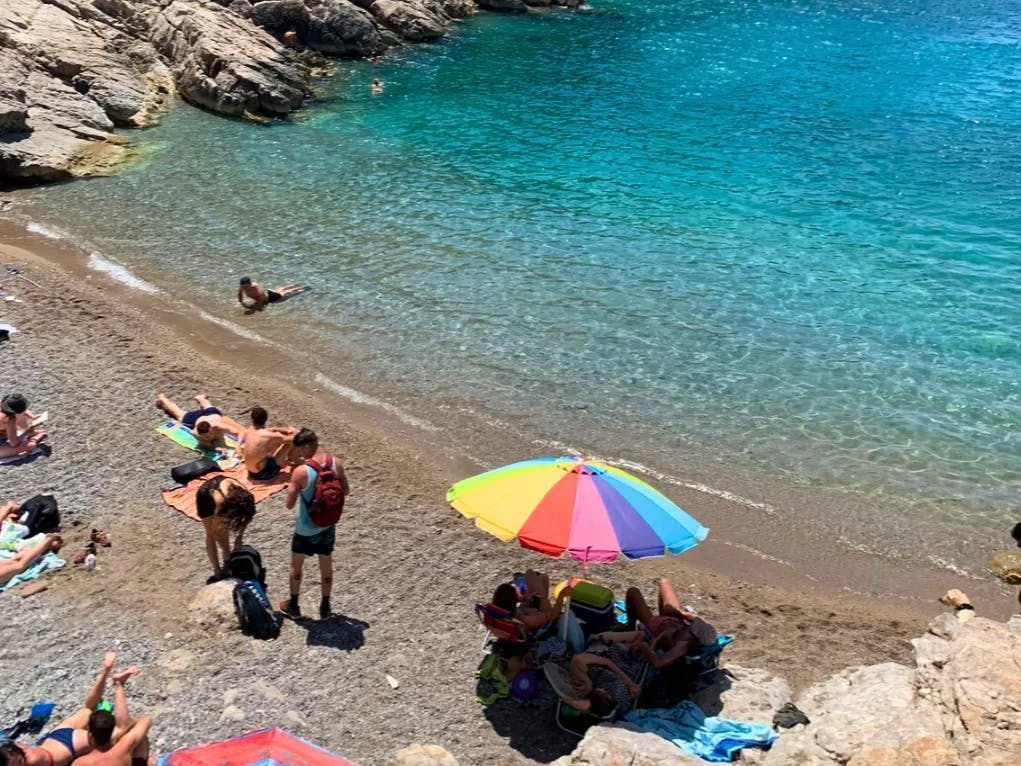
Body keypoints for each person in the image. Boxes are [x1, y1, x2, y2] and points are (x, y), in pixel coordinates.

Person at [4, 653, 130, 766]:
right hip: (55, 736)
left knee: (121, 731)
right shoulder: (16, 749)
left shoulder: (33, 760)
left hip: (69, 745)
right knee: (89, 708)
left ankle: (119, 684)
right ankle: (106, 670)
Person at [280, 428, 349, 620]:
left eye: (299, 450)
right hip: (328, 525)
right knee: (326, 564)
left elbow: (289, 505)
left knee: (296, 566)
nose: (298, 454)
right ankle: (325, 607)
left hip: (305, 528)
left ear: (306, 446)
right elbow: (346, 490)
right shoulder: (336, 463)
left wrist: (295, 487)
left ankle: (294, 605)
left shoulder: (301, 472)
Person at [620, 577, 718, 670]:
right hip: (671, 621)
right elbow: (665, 634)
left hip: (655, 625)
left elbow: (658, 663)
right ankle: (666, 612)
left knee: (633, 592)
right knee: (664, 582)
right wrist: (681, 612)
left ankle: (630, 626)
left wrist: (645, 648)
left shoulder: (682, 646)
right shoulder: (696, 631)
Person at [195, 475, 256, 583]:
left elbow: (246, 516)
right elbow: (218, 527)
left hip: (225, 499)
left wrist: (239, 538)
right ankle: (217, 569)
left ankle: (228, 563)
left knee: (224, 533)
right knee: (212, 534)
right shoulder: (221, 501)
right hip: (205, 497)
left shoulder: (243, 494)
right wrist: (221, 526)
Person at [554, 649, 643, 717]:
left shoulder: (589, 693)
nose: (602, 691)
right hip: (612, 674)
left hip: (598, 671)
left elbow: (582, 704)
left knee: (579, 660)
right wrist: (629, 682)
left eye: (601, 694)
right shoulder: (615, 698)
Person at [490, 570, 573, 636]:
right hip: (545, 617)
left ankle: (542, 596)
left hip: (529, 610)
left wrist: (523, 599)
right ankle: (544, 597)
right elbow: (553, 616)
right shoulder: (524, 619)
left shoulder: (499, 612)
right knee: (534, 576)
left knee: (542, 577)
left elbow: (515, 605)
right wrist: (561, 597)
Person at [155, 393, 245, 452]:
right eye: (206, 436)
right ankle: (162, 398)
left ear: (211, 429)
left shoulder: (218, 426)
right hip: (195, 419)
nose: (208, 437)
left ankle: (201, 398)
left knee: (208, 406)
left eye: (209, 434)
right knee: (178, 414)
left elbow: (239, 432)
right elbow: (208, 446)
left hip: (211, 414)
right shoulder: (195, 433)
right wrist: (218, 449)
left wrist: (237, 446)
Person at [238, 406, 297, 481]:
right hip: (262, 474)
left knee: (274, 440)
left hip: (250, 471)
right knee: (288, 443)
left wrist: (286, 430)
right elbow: (291, 439)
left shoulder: (251, 429)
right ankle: (295, 460)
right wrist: (295, 432)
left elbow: (270, 430)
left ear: (252, 419)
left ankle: (286, 459)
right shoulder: (269, 436)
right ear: (266, 419)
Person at [0, 393, 47, 459]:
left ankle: (31, 433)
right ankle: (34, 437)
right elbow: (14, 443)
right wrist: (26, 433)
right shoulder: (9, 420)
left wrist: (32, 416)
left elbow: (23, 411)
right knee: (30, 445)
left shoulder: (4, 409)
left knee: (19, 415)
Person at [237, 277, 306, 310]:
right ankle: (295, 284)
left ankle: (301, 288)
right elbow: (240, 294)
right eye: (243, 286)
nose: (244, 288)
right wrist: (241, 302)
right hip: (267, 292)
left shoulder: (255, 287)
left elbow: (261, 298)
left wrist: (258, 307)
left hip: (271, 297)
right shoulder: (242, 287)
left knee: (286, 292)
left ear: (250, 284)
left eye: (246, 286)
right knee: (280, 289)